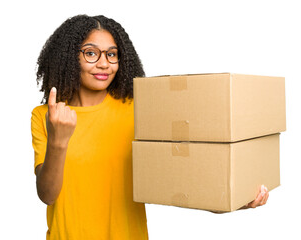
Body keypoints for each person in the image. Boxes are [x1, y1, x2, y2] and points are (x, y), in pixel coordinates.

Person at [31, 14, 269, 240]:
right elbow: (48, 195)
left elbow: (181, 181)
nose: (104, 64)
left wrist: (233, 200)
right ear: (68, 57)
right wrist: (58, 140)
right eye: (91, 53)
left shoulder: (139, 111)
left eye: (112, 55)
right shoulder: (45, 116)